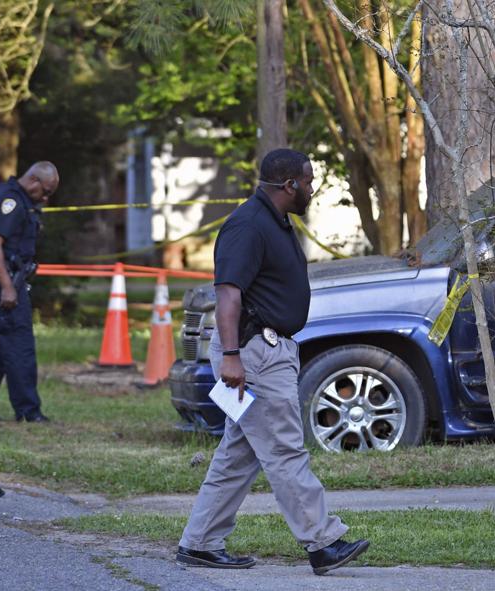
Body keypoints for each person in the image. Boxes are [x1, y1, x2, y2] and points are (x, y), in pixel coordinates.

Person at [175, 148, 369, 575]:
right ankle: (322, 543)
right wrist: (230, 358)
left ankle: (201, 543)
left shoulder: (274, 221)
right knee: (284, 449)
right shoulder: (247, 225)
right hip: (252, 353)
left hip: (265, 350)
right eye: (309, 180)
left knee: (239, 454)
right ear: (289, 185)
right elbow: (228, 295)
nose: (313, 188)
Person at [0, 162, 58, 425]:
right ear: (35, 181)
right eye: (46, 191)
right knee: (20, 346)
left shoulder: (5, 192)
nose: (46, 198)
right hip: (0, 280)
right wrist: (7, 286)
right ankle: (29, 411)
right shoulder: (13, 202)